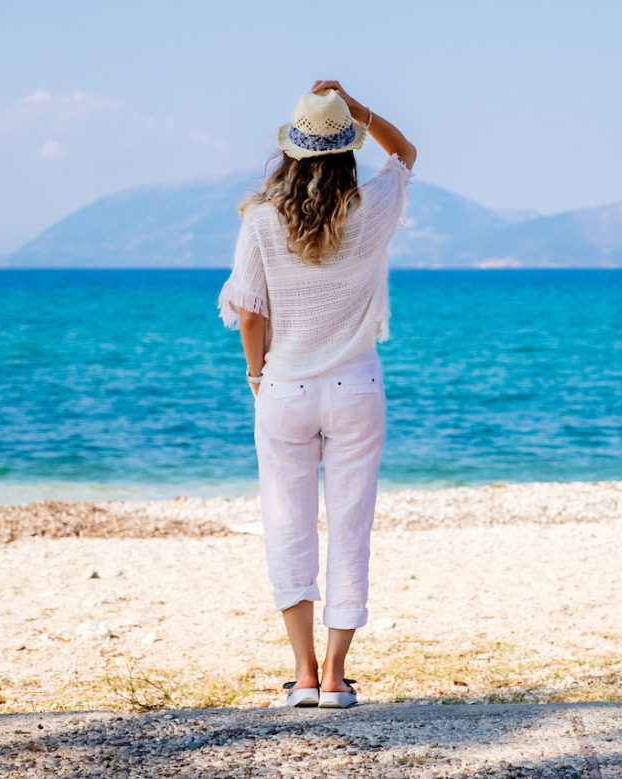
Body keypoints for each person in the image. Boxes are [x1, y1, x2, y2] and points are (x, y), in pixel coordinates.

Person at [217, 79, 416, 708]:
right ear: (348, 148)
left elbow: (250, 313)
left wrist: (257, 375)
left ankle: (301, 675)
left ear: (292, 153)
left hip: (284, 386)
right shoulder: (375, 206)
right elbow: (406, 154)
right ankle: (336, 677)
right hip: (356, 384)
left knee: (287, 526)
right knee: (351, 526)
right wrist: (359, 111)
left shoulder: (261, 222)